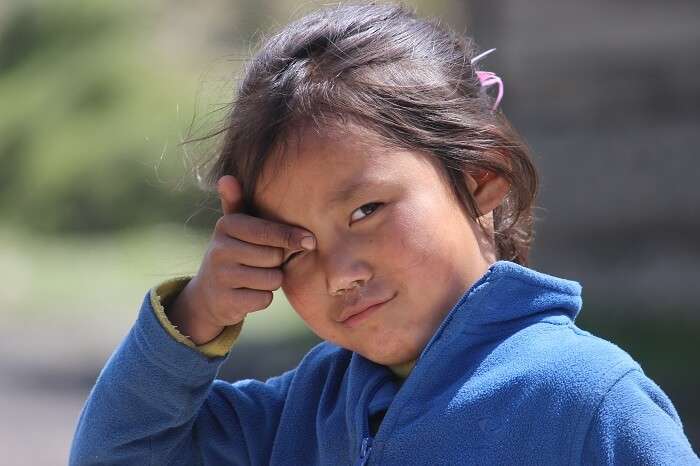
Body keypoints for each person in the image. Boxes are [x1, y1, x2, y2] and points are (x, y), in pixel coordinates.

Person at [69, 2, 698, 465]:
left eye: (367, 211)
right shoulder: (301, 413)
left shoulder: (585, 402)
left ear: (480, 177)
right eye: (294, 242)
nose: (340, 272)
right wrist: (199, 312)